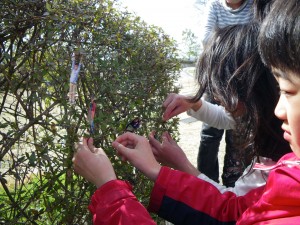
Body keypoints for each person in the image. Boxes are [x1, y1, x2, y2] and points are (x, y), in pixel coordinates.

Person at [72, 3, 300, 222]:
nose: (280, 109)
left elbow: (228, 213)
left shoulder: (276, 171)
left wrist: (110, 187)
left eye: (288, 91)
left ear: (255, 93)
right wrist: (177, 161)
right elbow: (232, 207)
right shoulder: (286, 166)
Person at [198, 0, 254, 186]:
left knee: (237, 135)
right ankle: (207, 182)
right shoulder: (215, 5)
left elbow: (257, 38)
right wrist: (239, 43)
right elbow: (206, 38)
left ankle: (233, 183)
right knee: (209, 136)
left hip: (243, 79)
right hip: (218, 74)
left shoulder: (254, 5)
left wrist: (227, 41)